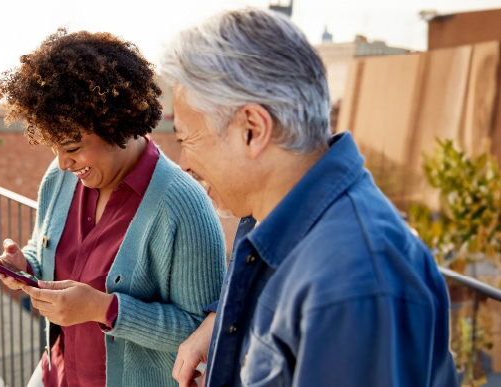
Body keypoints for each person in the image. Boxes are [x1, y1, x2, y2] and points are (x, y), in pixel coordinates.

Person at [162, 8, 458, 387]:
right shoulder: (271, 216)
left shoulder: (353, 282)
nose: (183, 162)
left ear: (252, 130)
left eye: (187, 140)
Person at [0, 28, 226, 387]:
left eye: (71, 146)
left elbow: (203, 329)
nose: (63, 163)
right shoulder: (58, 179)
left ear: (115, 123)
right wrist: (25, 264)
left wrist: (106, 309)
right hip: (58, 373)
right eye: (54, 147)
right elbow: (45, 254)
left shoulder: (184, 205)